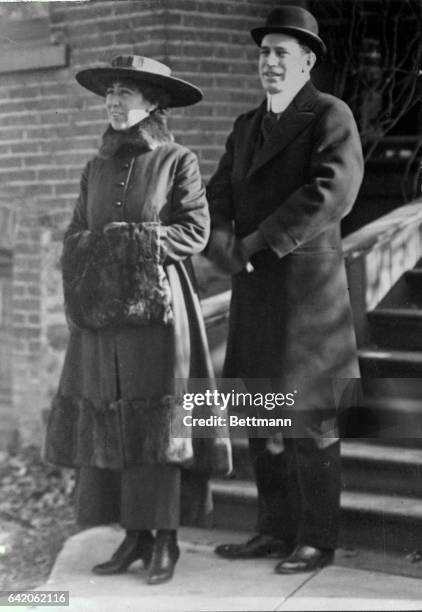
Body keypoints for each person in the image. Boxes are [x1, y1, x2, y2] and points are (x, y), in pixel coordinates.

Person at [44, 55, 231, 585]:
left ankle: (166, 540)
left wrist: (131, 244)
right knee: (113, 416)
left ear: (153, 103)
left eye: (126, 92)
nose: (114, 101)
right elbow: (76, 234)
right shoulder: (94, 168)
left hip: (160, 313)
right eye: (110, 92)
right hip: (105, 318)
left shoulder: (178, 161)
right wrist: (96, 252)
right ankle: (133, 535)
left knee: (160, 421)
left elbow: (193, 232)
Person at [207, 6, 364, 573]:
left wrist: (253, 244)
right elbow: (218, 191)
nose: (269, 62)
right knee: (261, 419)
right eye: (264, 52)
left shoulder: (330, 115)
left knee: (311, 422)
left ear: (306, 62)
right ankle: (273, 530)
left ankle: (317, 540)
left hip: (307, 298)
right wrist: (218, 239)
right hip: (255, 293)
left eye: (282, 53)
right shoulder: (246, 126)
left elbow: (332, 192)